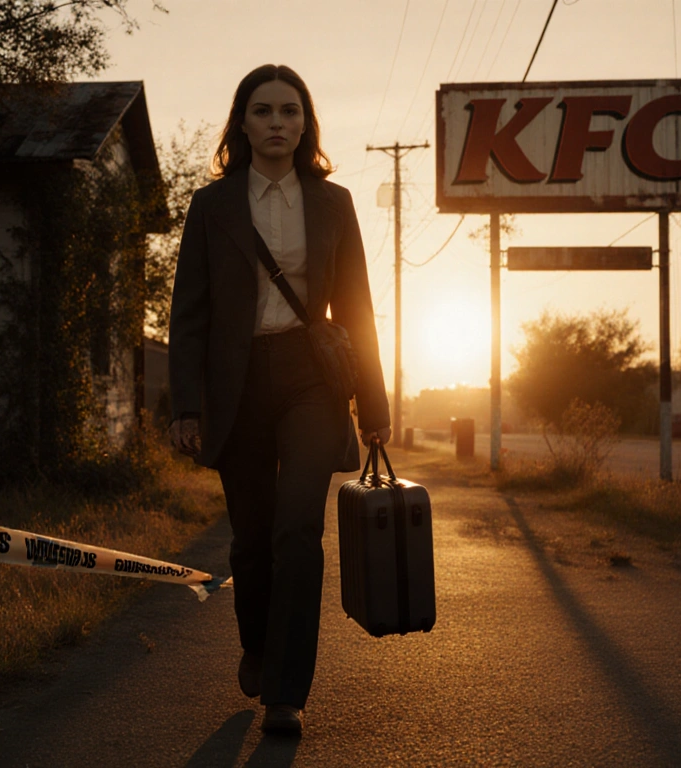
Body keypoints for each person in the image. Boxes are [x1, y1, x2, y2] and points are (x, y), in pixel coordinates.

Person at [168, 64, 391, 737]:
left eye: (289, 111)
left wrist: (374, 404)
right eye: (262, 111)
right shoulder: (212, 206)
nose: (276, 123)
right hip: (236, 384)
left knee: (299, 530)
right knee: (252, 541)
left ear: (305, 123)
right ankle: (260, 648)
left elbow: (357, 306)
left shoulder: (334, 202)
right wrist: (186, 405)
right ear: (242, 123)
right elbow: (190, 314)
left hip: (311, 379)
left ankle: (287, 692)